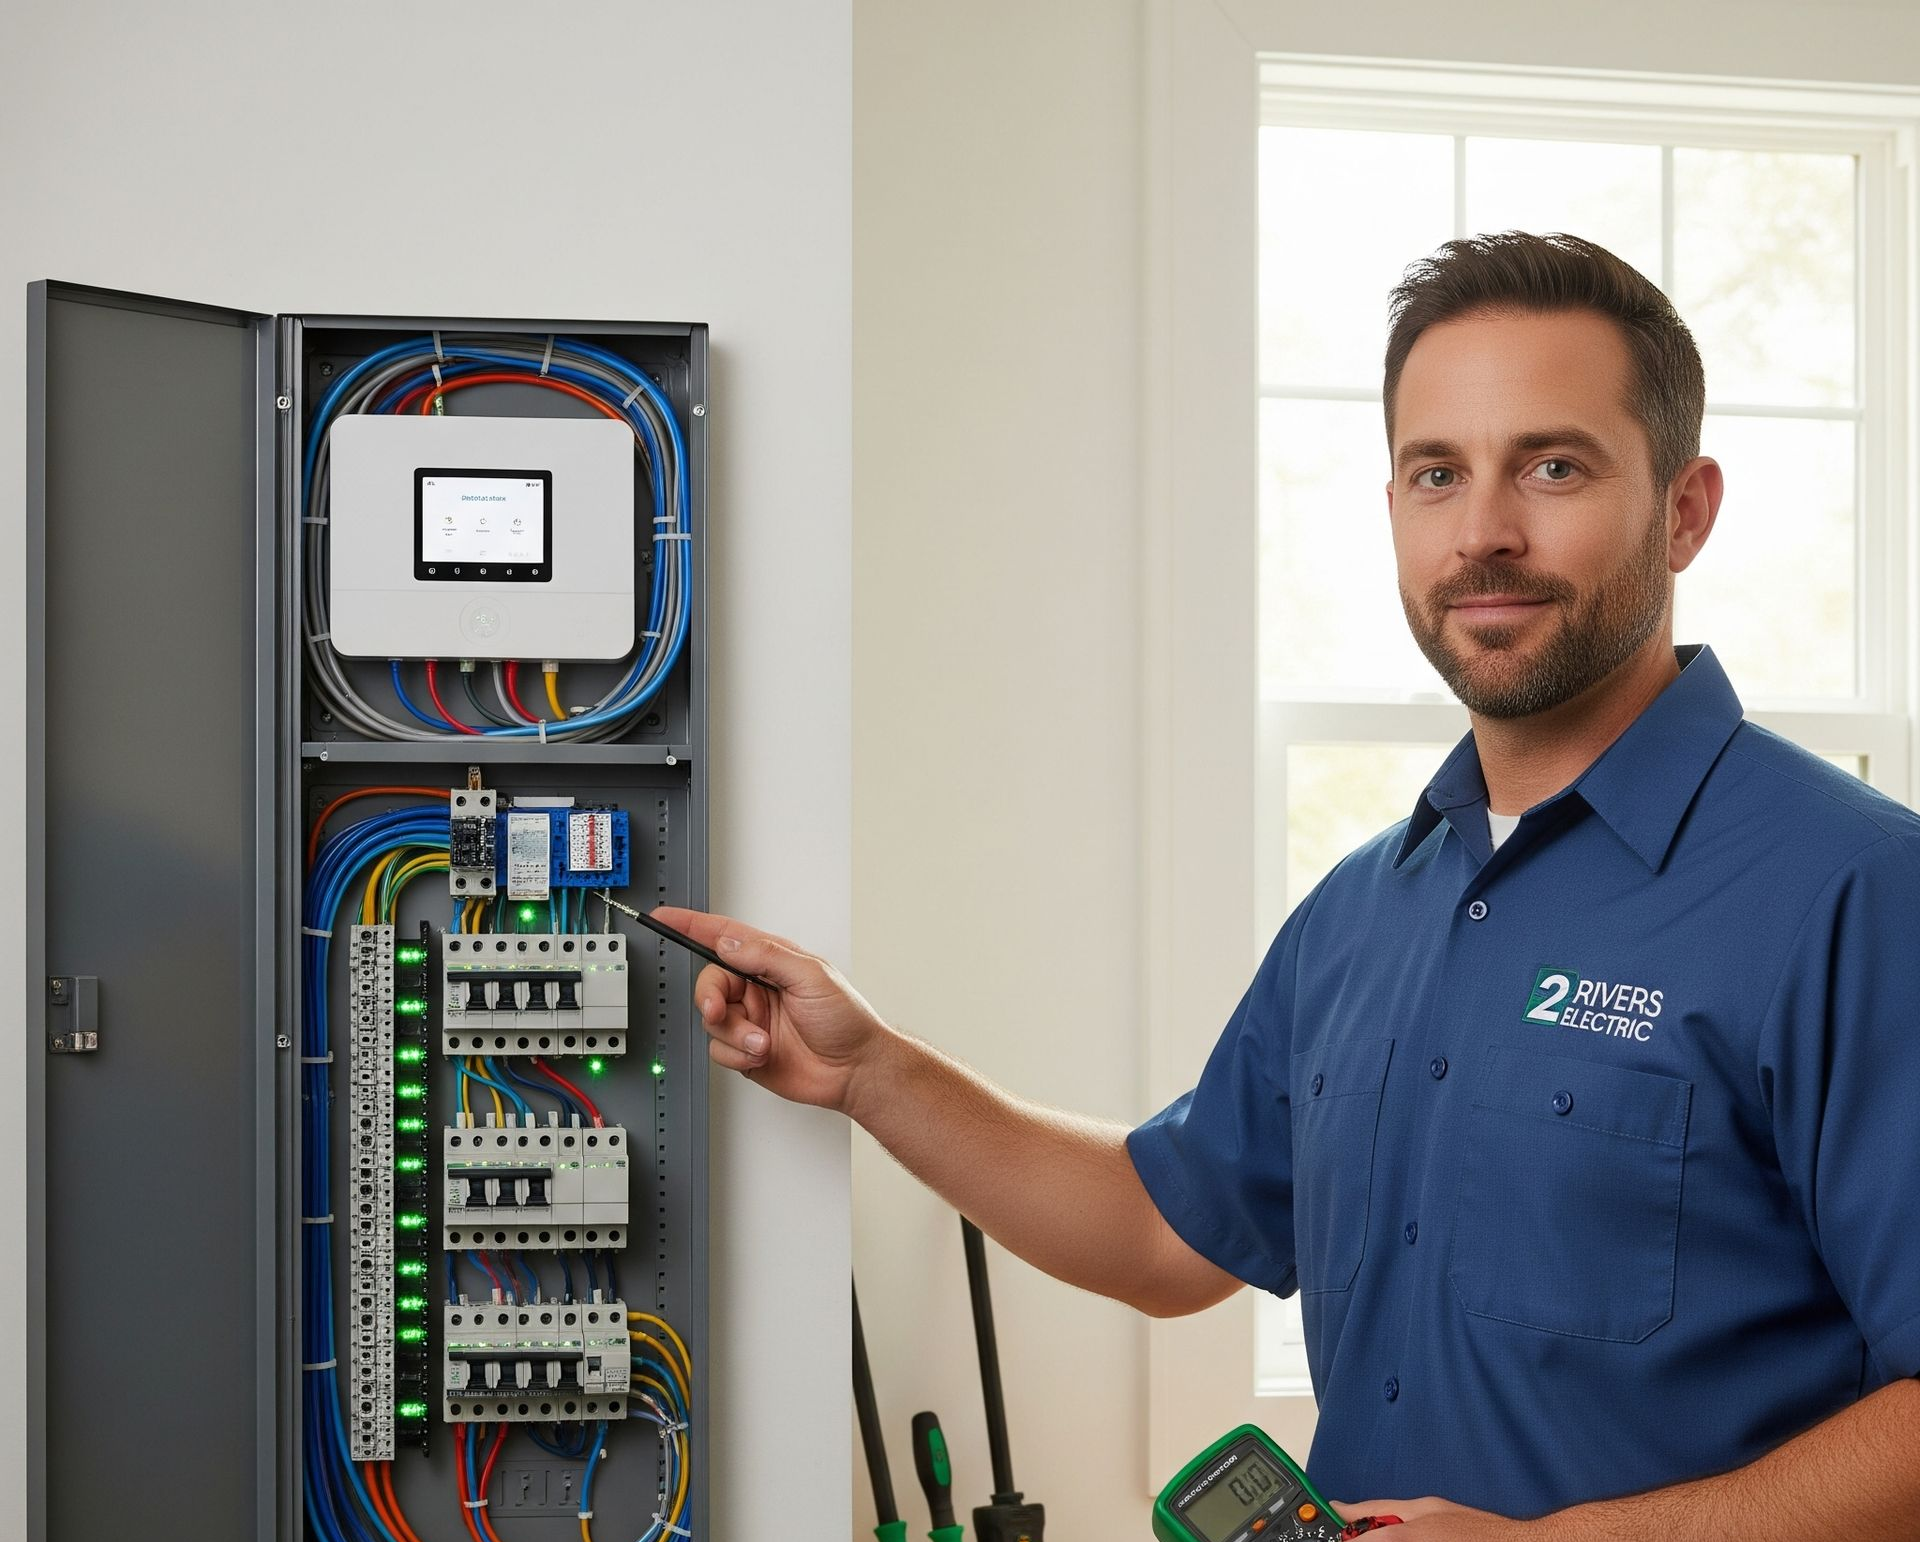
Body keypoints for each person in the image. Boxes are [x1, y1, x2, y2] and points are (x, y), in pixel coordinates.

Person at [655, 231, 1920, 1539]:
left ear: (1686, 508)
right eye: (1439, 473)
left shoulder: (1860, 892)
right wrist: (871, 1072)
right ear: (1394, 513)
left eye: (1554, 465)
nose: (1485, 532)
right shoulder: (1365, 910)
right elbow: (1164, 1229)